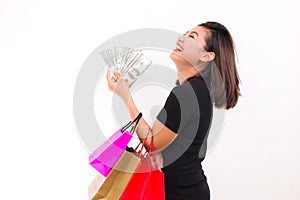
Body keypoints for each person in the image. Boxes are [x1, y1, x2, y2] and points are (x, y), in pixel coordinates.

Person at [106, 21, 241, 200]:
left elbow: (152, 143)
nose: (182, 39)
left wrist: (125, 96)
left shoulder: (187, 93)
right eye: (185, 34)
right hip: (188, 190)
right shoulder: (198, 91)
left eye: (192, 37)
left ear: (207, 56)